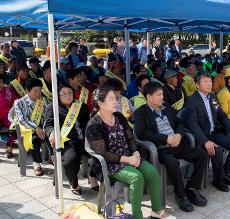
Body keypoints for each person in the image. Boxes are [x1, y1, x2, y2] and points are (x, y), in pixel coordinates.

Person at [86, 86, 173, 219]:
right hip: (110, 163)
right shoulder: (94, 125)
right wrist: (128, 160)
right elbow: (104, 153)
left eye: (115, 99)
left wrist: (135, 153)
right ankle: (137, 216)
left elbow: (130, 138)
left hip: (130, 156)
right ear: (100, 103)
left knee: (152, 172)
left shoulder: (119, 117)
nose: (116, 102)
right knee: (137, 177)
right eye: (111, 99)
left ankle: (156, 210)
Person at [135, 82, 208, 212]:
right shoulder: (141, 112)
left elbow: (179, 122)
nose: (162, 97)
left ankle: (192, 188)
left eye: (162, 94)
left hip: (178, 144)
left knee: (202, 154)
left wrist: (179, 135)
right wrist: (165, 138)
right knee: (173, 163)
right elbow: (141, 133)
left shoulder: (166, 107)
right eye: (158, 95)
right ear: (149, 97)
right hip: (161, 149)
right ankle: (180, 196)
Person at [185, 72, 230, 191]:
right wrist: (205, 141)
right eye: (205, 82)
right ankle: (218, 180)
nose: (209, 84)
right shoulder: (192, 101)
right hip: (201, 137)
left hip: (213, 133)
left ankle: (226, 174)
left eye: (210, 81)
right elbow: (193, 125)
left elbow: (222, 116)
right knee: (218, 150)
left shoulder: (212, 97)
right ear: (197, 85)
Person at [44, 84, 98, 195]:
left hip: (85, 139)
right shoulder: (52, 107)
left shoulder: (81, 105)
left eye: (70, 93)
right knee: (70, 160)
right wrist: (52, 133)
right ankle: (74, 183)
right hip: (67, 141)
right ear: (58, 96)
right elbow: (48, 125)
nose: (68, 95)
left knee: (99, 153)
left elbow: (89, 122)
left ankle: (92, 176)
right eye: (64, 94)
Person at [14, 78, 49, 176]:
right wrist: (36, 128)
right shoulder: (19, 102)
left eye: (40, 91)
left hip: (43, 127)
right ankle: (37, 163)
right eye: (35, 91)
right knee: (34, 140)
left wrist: (45, 127)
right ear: (28, 91)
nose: (38, 94)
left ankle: (52, 157)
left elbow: (48, 115)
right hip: (28, 130)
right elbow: (22, 119)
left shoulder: (43, 100)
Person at [0, 76, 17, 158]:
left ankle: (9, 149)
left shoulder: (8, 90)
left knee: (15, 127)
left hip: (7, 115)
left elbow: (15, 101)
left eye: (1, 82)